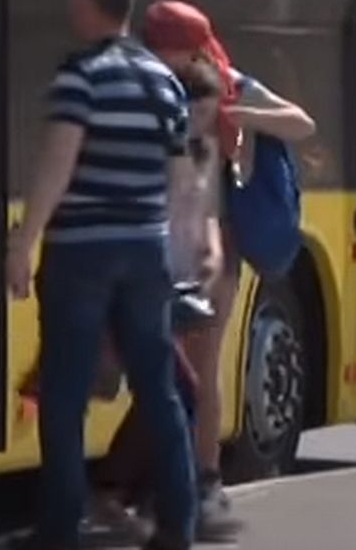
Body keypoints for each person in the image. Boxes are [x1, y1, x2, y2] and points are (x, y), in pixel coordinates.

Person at [7, 0, 196, 550]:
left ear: (88, 6)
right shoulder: (163, 81)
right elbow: (182, 180)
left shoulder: (80, 75)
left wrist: (25, 240)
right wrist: (178, 254)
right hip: (146, 250)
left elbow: (58, 163)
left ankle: (60, 527)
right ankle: (178, 524)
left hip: (82, 250)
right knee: (158, 388)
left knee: (65, 391)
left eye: (74, 1)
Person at [139, 0, 315, 538]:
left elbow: (302, 124)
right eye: (156, 45)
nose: (162, 56)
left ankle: (203, 479)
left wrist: (242, 116)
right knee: (160, 369)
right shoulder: (146, 85)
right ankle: (159, 481)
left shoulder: (229, 85)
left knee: (201, 365)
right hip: (155, 243)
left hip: (215, 248)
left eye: (171, 46)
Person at [87, 59, 226, 544]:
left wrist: (213, 253)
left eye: (209, 113)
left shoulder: (207, 151)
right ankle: (122, 492)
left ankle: (127, 495)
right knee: (177, 392)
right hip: (144, 282)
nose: (201, 122)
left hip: (181, 287)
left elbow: (207, 213)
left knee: (164, 393)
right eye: (195, 111)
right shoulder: (154, 151)